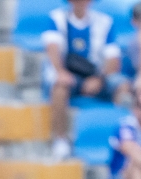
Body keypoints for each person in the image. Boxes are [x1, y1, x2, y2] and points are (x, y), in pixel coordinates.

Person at [44, 0, 124, 161]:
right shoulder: (56, 18)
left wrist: (99, 79)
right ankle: (60, 139)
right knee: (59, 88)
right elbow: (52, 47)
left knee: (123, 88)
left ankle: (121, 139)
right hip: (70, 75)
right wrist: (61, 72)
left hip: (96, 75)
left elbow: (113, 58)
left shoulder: (105, 22)